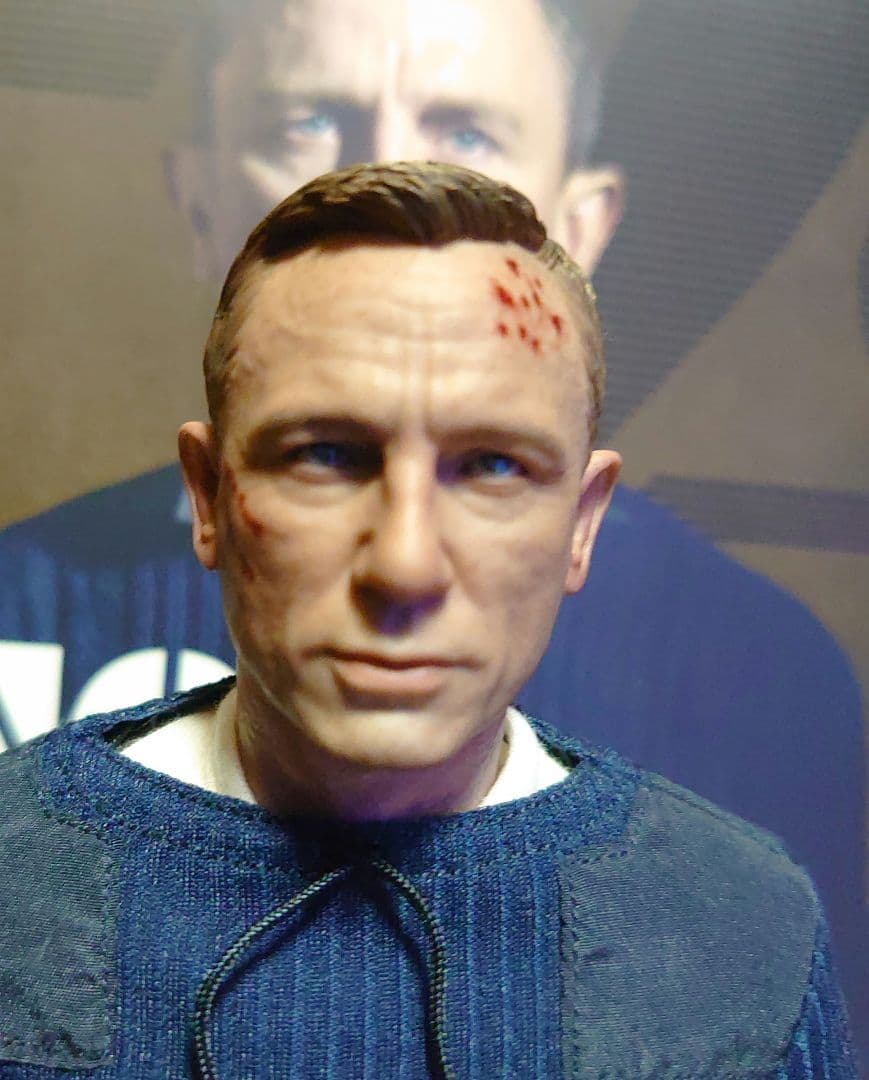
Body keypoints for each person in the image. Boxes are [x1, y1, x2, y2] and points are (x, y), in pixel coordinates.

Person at [0, 0, 865, 1048]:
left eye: (492, 467)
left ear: (581, 520)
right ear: (211, 494)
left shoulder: (742, 927)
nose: (405, 565)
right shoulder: (18, 871)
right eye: (326, 455)